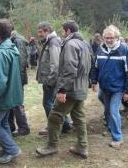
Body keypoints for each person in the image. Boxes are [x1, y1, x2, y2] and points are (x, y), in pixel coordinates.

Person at [36, 20, 91, 159]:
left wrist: (62, 90)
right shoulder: (84, 44)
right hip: (81, 87)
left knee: (55, 116)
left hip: (71, 88)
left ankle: (51, 146)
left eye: (63, 31)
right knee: (79, 117)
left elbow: (69, 69)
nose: (62, 33)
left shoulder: (70, 44)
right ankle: (82, 147)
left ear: (67, 31)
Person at [91, 25, 128, 148]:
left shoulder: (124, 50)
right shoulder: (100, 49)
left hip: (118, 88)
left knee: (113, 111)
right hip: (104, 87)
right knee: (107, 110)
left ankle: (117, 138)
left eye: (111, 38)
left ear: (117, 37)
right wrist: (94, 81)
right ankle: (111, 128)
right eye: (106, 38)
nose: (109, 40)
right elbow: (95, 66)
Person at [0, 19, 22, 164]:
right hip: (11, 94)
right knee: (4, 123)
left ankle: (12, 149)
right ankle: (6, 148)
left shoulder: (1, 52)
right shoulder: (11, 47)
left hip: (3, 96)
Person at [36, 22, 72, 135]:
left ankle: (54, 127)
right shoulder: (49, 41)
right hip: (51, 80)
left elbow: (55, 64)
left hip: (51, 81)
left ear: (47, 31)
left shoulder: (53, 42)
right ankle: (65, 125)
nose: (39, 34)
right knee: (54, 104)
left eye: (41, 32)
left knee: (48, 104)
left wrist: (50, 81)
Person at [8, 26, 30, 137]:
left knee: (17, 103)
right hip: (15, 78)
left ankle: (24, 128)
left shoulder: (18, 40)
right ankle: (11, 127)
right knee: (12, 103)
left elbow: (21, 61)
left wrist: (18, 80)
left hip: (18, 78)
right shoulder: (14, 39)